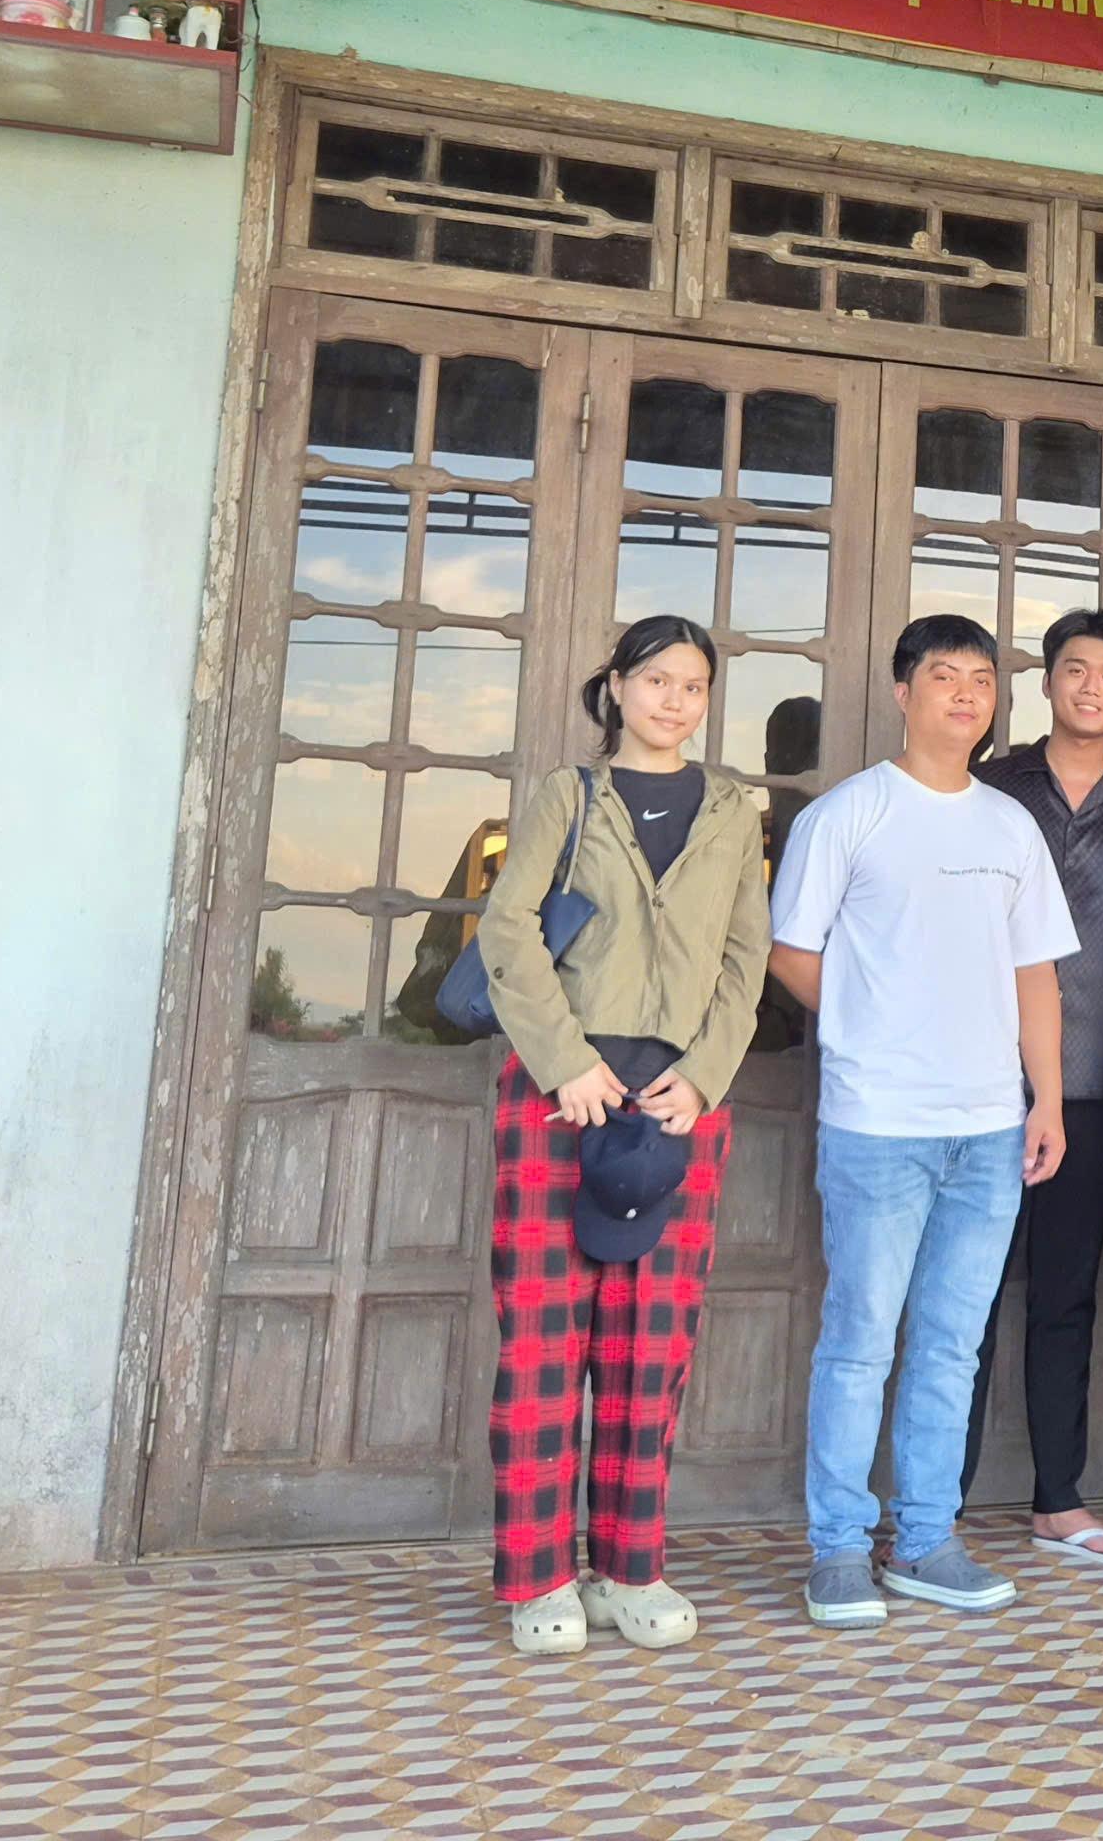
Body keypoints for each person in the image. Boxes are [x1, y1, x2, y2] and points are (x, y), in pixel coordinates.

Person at [769, 614, 1080, 1631]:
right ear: (903, 692)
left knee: (950, 1342)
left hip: (989, 1125)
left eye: (980, 679)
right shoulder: (849, 814)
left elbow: (1035, 972)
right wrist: (871, 1028)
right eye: (941, 675)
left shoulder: (1007, 826)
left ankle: (927, 1539)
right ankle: (837, 1548)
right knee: (860, 1338)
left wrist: (1043, 1096)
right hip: (878, 1123)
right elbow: (792, 951)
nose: (962, 692)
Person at [477, 615, 769, 1656]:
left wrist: (703, 1075)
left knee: (653, 1347)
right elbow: (507, 926)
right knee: (549, 1342)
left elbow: (748, 953)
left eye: (693, 684)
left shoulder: (732, 810)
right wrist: (566, 1061)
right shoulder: (571, 793)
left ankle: (629, 1570)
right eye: (656, 680)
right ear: (618, 686)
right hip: (563, 1086)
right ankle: (536, 1577)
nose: (675, 701)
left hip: (679, 1095)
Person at [962, 607, 1103, 1573]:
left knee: (1065, 1302)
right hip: (971, 1083)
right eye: (1075, 670)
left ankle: (1058, 1499)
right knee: (954, 1302)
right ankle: (936, 1499)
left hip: (1092, 1092)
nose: (1091, 687)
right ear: (1046, 681)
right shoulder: (984, 789)